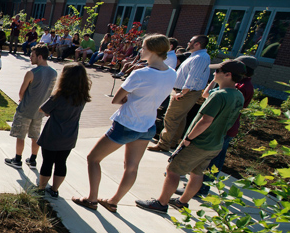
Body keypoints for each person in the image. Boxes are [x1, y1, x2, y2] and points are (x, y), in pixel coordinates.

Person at [72, 34, 177, 212]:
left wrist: (129, 98)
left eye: (143, 48)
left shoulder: (141, 73)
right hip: (148, 126)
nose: (140, 50)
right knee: (131, 167)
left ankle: (91, 199)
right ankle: (113, 201)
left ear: (151, 50)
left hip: (127, 123)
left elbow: (117, 99)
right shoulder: (172, 73)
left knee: (93, 158)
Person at [135, 59, 246, 214]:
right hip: (215, 143)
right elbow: (206, 94)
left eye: (217, 72)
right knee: (197, 172)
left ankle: (161, 203)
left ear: (227, 74)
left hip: (199, 142)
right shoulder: (237, 95)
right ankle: (182, 202)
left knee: (173, 170)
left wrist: (188, 139)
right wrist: (214, 81)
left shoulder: (220, 96)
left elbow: (205, 121)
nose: (213, 74)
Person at [187, 54, 256, 198]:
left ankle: (202, 188)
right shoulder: (240, 85)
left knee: (214, 160)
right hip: (225, 127)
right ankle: (197, 186)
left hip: (225, 128)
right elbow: (207, 95)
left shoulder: (241, 87)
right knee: (210, 160)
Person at [36, 62, 91, 197]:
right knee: (61, 163)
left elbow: (42, 109)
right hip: (70, 135)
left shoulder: (59, 96)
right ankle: (55, 190)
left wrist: (49, 112)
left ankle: (41, 188)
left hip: (53, 133)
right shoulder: (82, 97)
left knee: (47, 162)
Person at [149, 35, 211, 152]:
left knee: (171, 117)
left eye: (191, 41)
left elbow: (193, 77)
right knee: (180, 118)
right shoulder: (196, 56)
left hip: (185, 93)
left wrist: (182, 93)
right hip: (184, 92)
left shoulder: (200, 58)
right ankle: (172, 142)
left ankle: (163, 144)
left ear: (197, 44)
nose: (188, 43)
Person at [4, 44, 58, 169]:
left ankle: (17, 159)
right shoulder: (54, 73)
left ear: (40, 57)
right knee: (35, 136)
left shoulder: (32, 72)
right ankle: (33, 160)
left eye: (32, 55)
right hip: (40, 111)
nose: (30, 57)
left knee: (20, 135)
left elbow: (21, 92)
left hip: (26, 110)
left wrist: (22, 100)